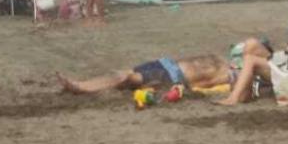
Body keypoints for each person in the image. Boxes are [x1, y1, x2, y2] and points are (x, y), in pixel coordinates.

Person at [56, 52, 232, 95]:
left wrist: (180, 88)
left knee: (127, 77)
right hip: (164, 63)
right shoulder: (220, 58)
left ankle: (81, 87)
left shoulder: (226, 74)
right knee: (125, 74)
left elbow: (202, 85)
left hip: (170, 76)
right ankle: (83, 84)